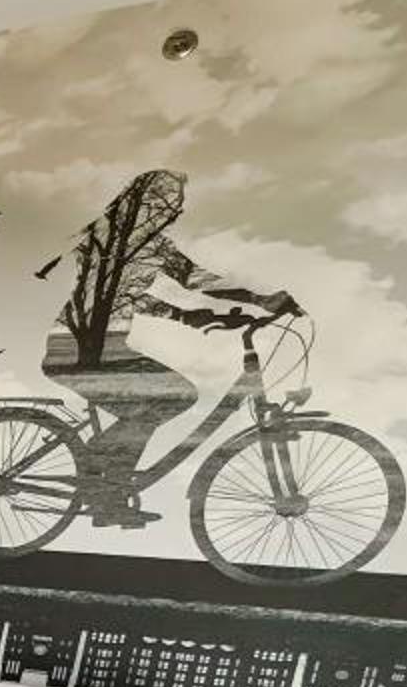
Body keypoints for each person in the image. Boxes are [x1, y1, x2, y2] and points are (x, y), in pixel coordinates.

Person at [42, 170, 298, 526]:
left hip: (94, 349)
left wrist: (193, 314)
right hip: (81, 351)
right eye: (164, 202)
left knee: (163, 402)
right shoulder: (117, 242)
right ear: (141, 200)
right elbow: (142, 292)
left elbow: (172, 285)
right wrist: (254, 301)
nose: (169, 212)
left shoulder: (133, 243)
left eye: (174, 206)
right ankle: (102, 485)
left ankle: (102, 481)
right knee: (168, 399)